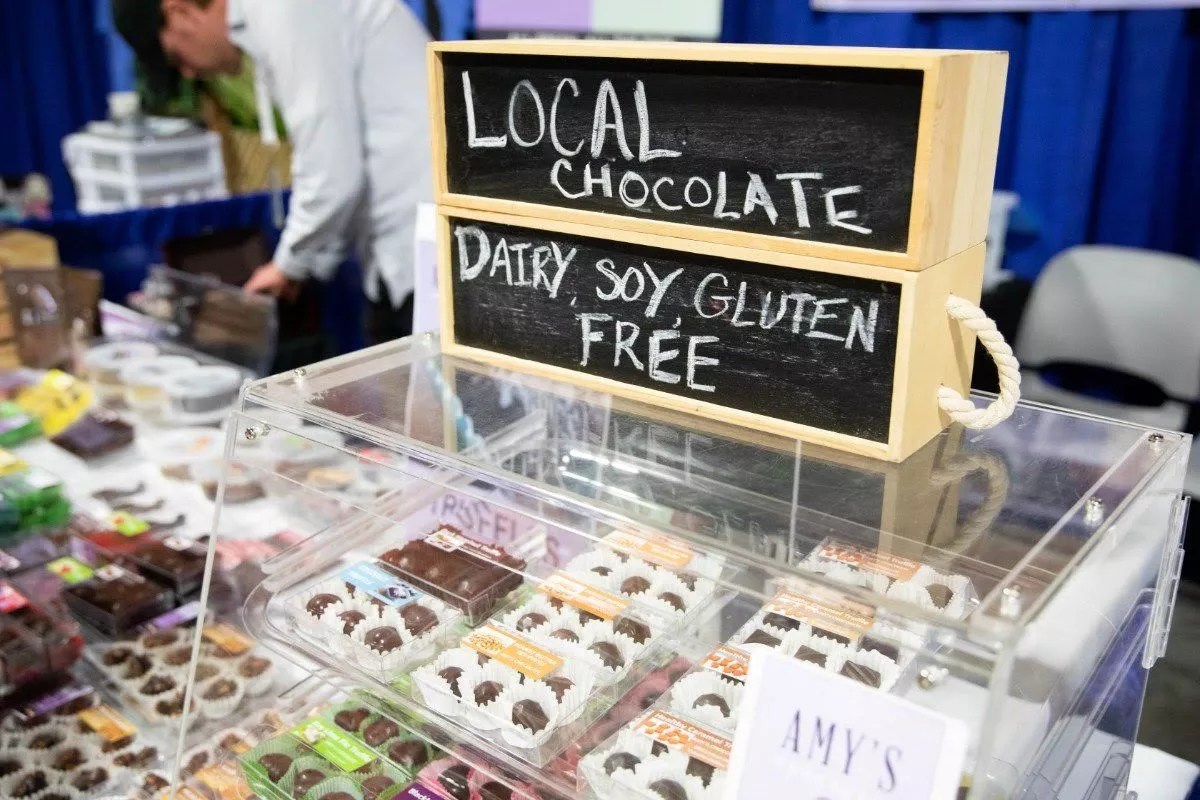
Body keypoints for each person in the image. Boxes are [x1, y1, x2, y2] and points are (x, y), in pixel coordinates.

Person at [112, 0, 434, 342]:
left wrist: (288, 265)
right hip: (398, 248)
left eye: (177, 59)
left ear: (180, 12)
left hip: (424, 243)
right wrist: (303, 263)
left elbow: (331, 169)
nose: (189, 73)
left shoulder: (283, 8)